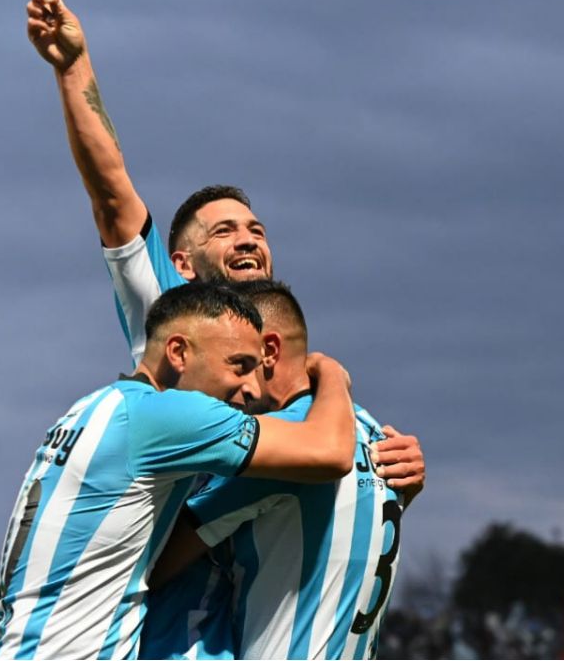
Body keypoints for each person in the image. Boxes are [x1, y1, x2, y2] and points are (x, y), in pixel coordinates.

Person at [24, 0, 424, 500]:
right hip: (170, 553)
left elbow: (321, 464)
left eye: (256, 229)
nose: (248, 239)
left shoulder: (281, 354)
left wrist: (389, 475)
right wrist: (73, 68)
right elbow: (112, 193)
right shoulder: (168, 304)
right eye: (224, 231)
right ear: (183, 264)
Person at [0, 283, 357, 659]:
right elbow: (330, 453)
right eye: (239, 366)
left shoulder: (91, 408)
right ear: (178, 352)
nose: (253, 389)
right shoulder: (169, 417)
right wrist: (329, 372)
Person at [142, 281, 406, 660]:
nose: (242, 388)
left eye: (240, 362)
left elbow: (156, 566)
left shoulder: (287, 448)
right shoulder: (373, 431)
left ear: (268, 351)